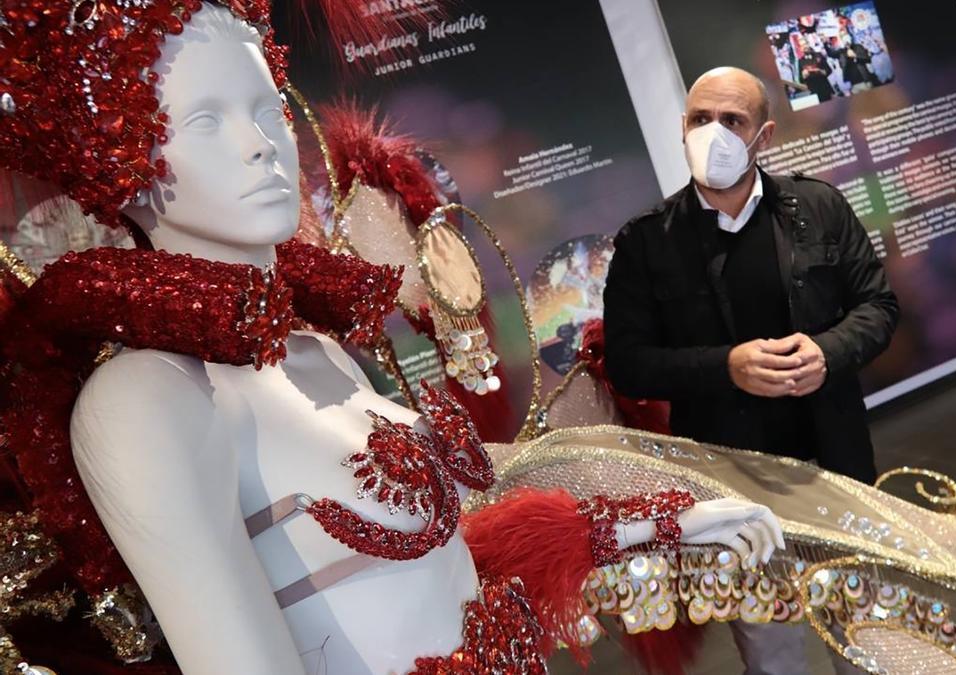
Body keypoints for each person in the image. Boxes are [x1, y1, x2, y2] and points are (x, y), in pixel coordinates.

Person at [0, 6, 786, 673]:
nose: (261, 143)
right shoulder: (148, 399)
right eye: (206, 119)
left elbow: (447, 550)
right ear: (122, 161)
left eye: (267, 107)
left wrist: (657, 520)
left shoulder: (321, 350)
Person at [603, 66, 898, 674]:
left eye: (732, 121)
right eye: (699, 119)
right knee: (769, 647)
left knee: (864, 633)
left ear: (763, 136)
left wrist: (831, 350)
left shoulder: (818, 207)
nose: (714, 133)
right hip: (730, 485)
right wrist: (725, 367)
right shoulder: (644, 243)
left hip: (834, 462)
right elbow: (629, 365)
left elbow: (879, 305)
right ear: (681, 127)